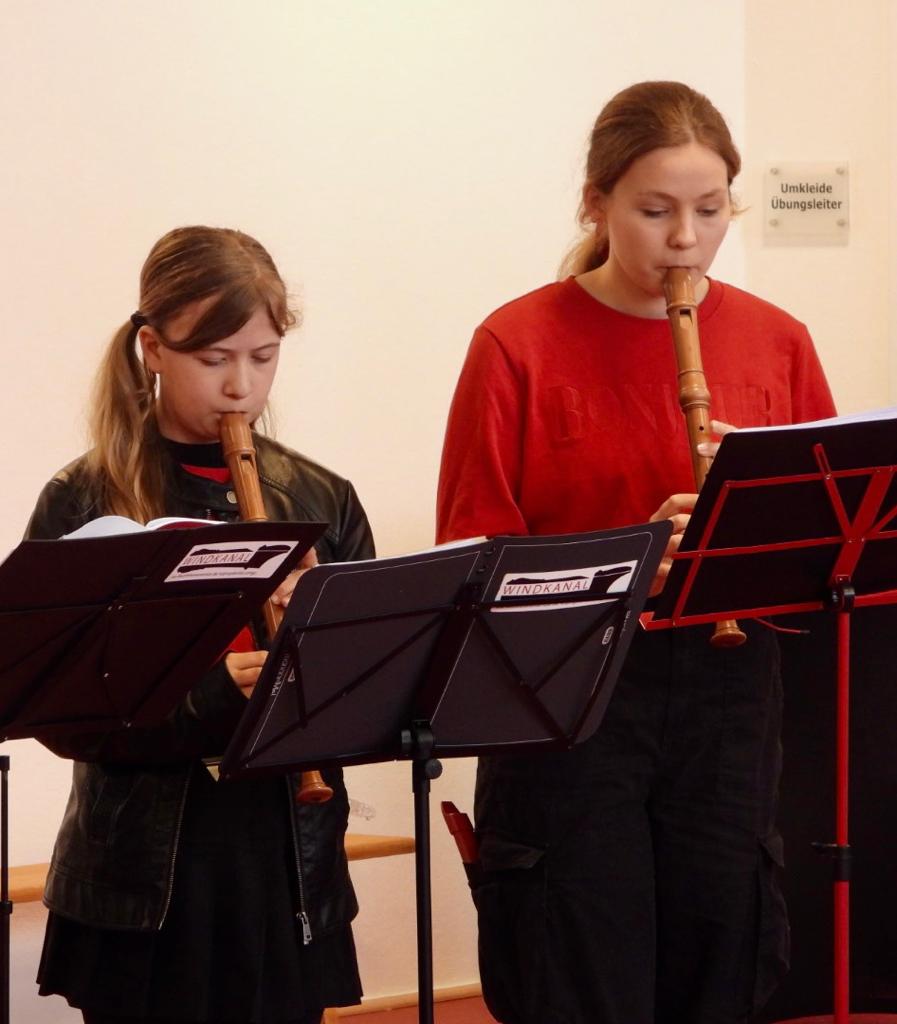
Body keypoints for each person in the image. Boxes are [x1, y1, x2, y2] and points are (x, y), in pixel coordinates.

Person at [436, 81, 836, 1024]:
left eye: (709, 211)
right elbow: (472, 558)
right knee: (580, 953)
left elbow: (830, 537)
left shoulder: (777, 341)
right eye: (655, 212)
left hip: (729, 688)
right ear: (595, 203)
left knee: (720, 941)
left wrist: (748, 530)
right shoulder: (515, 343)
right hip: (570, 696)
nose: (685, 239)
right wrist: (627, 553)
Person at [26, 225, 374, 1024]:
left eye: (263, 356)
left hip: (286, 861)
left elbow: (372, 696)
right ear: (152, 347)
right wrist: (213, 694)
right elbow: (62, 714)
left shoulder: (322, 499)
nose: (240, 386)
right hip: (146, 876)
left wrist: (323, 658)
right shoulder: (87, 500)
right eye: (213, 359)